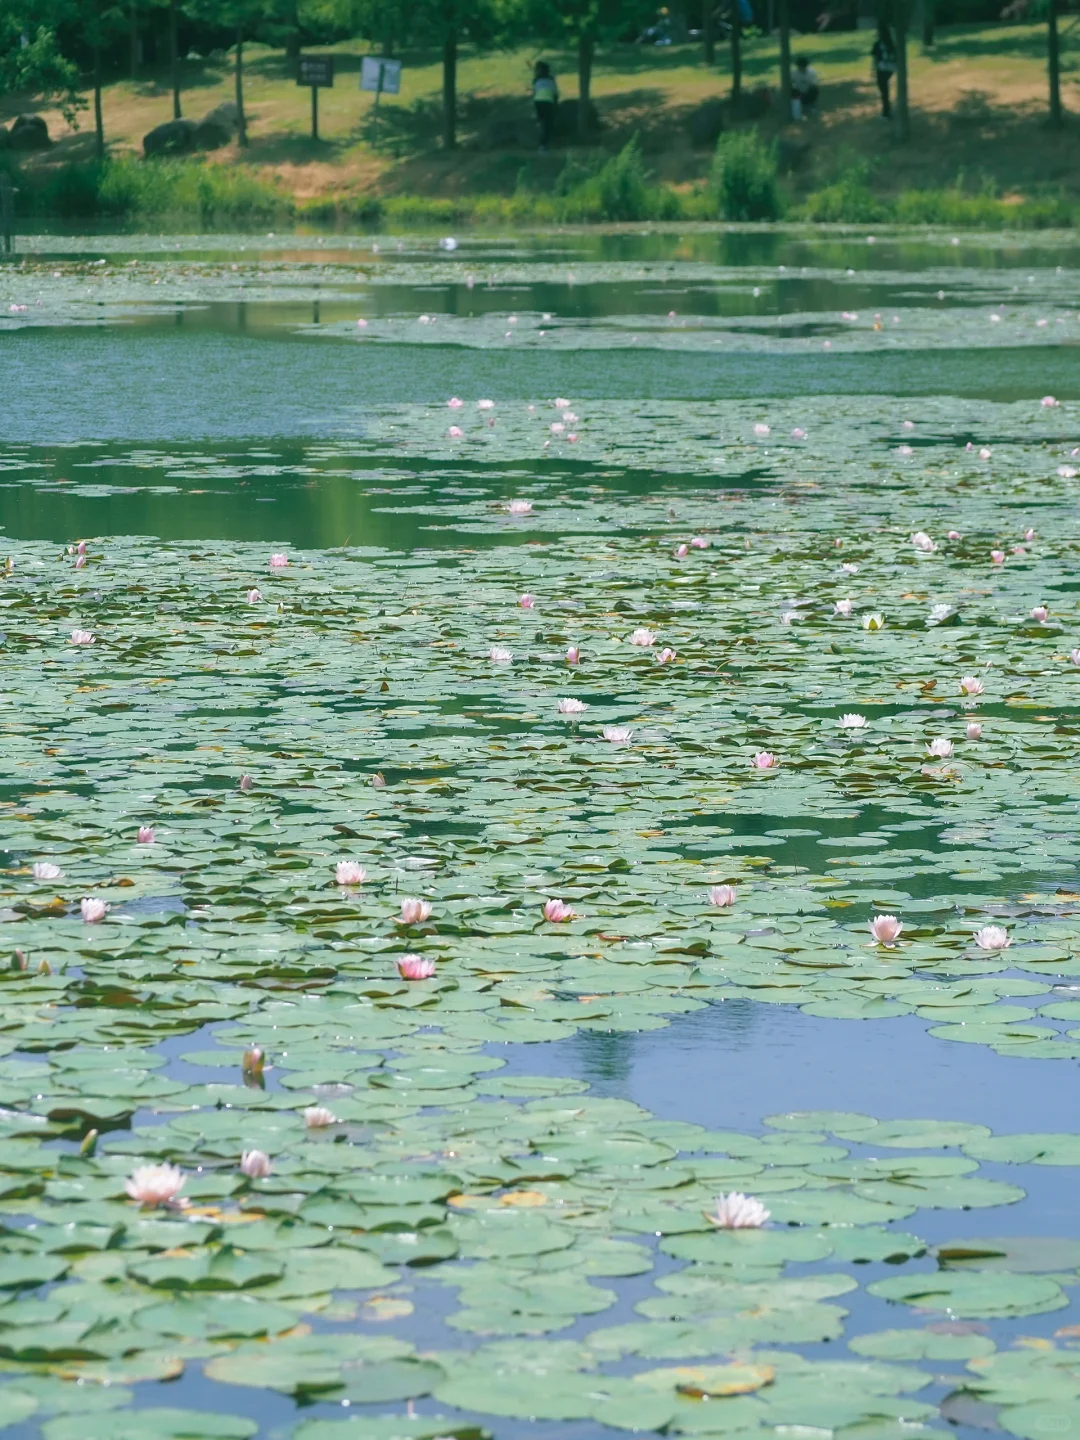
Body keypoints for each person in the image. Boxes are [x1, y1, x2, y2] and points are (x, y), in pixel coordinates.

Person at [871, 23, 896, 119]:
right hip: (890, 69)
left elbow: (875, 60)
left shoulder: (877, 44)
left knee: (884, 92)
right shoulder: (891, 43)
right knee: (885, 91)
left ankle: (886, 112)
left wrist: (873, 71)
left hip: (881, 69)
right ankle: (887, 110)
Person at [532, 61, 558, 151]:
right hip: (548, 102)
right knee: (549, 123)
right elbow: (555, 93)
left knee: (541, 120)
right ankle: (543, 144)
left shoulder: (536, 80)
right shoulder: (551, 80)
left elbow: (534, 92)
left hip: (538, 101)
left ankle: (539, 139)